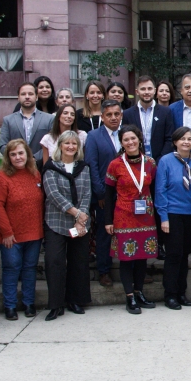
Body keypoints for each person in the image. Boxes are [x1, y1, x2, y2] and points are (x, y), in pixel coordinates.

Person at [104, 125, 158, 314]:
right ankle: (129, 297)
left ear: (139, 139)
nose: (130, 142)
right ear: (122, 143)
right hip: (124, 216)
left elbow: (154, 189)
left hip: (145, 217)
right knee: (127, 258)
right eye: (126, 139)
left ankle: (139, 292)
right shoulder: (115, 165)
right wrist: (108, 220)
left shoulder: (150, 162)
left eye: (133, 138)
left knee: (142, 257)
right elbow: (108, 193)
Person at [0, 139, 44, 321]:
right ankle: (10, 306)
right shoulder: (2, 177)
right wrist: (6, 232)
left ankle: (29, 303)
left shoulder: (35, 174)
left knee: (30, 268)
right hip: (11, 235)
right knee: (12, 268)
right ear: (7, 157)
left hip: (34, 232)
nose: (17, 157)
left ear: (28, 155)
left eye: (21, 153)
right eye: (13, 154)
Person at [42, 131, 92, 321]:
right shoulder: (50, 167)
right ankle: (56, 305)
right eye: (67, 143)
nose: (71, 147)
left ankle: (75, 300)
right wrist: (77, 213)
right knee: (54, 262)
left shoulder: (83, 167)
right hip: (56, 222)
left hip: (80, 223)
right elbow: (53, 195)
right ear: (60, 145)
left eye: (74, 144)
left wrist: (82, 218)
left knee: (78, 262)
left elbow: (87, 192)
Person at [156, 126, 191, 310]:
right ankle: (170, 294)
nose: (186, 142)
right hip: (173, 214)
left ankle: (181, 292)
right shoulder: (166, 161)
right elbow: (160, 190)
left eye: (189, 139)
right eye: (182, 139)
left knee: (185, 255)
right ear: (175, 141)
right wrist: (163, 217)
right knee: (173, 255)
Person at [84, 100, 124, 286]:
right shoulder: (93, 136)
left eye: (116, 114)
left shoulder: (128, 134)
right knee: (104, 233)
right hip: (104, 195)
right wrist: (101, 194)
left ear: (121, 115)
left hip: (127, 194)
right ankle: (104, 270)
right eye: (109, 115)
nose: (113, 118)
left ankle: (130, 266)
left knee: (127, 232)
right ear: (102, 117)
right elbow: (91, 165)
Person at [0, 81, 54, 163]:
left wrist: (34, 158)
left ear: (36, 97)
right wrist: (18, 157)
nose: (27, 97)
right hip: (16, 166)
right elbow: (3, 146)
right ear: (18, 97)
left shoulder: (49, 119)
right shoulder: (8, 120)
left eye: (30, 94)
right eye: (23, 94)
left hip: (40, 165)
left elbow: (52, 143)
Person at [123, 75, 174, 160]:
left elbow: (169, 138)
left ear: (154, 91)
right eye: (143, 89)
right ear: (137, 91)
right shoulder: (128, 114)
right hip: (135, 160)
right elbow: (125, 138)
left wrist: (161, 160)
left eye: (149, 89)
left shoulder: (165, 112)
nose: (146, 92)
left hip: (160, 160)